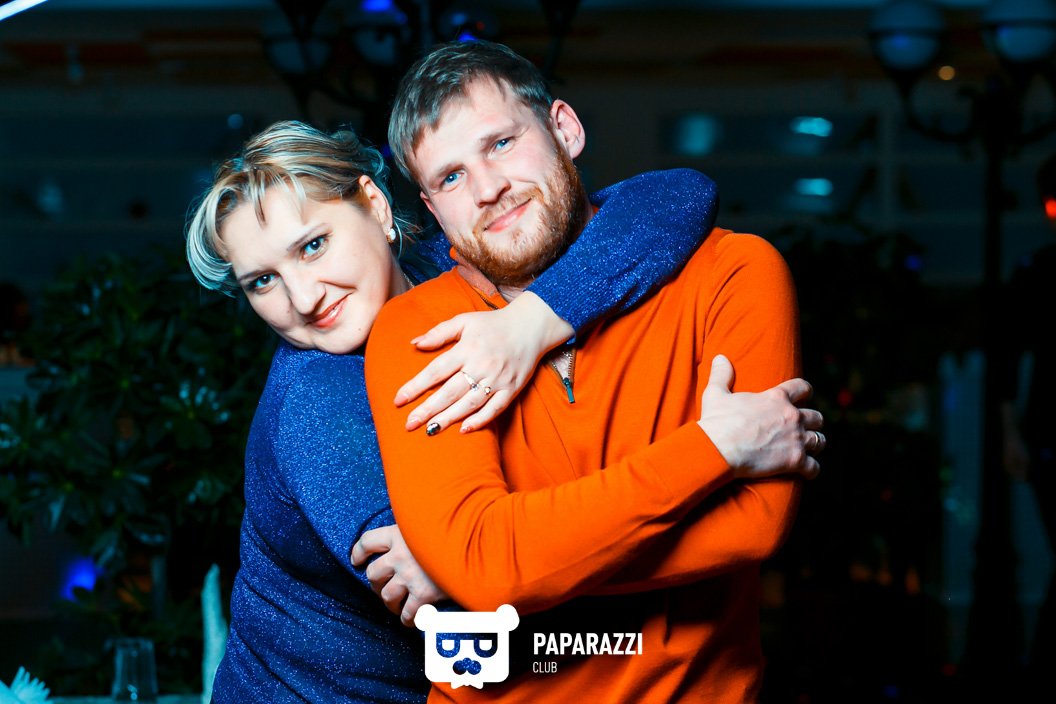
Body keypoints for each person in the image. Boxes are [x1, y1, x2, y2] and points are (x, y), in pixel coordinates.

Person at [184, 118, 726, 702]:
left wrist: (536, 318)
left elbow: (677, 195)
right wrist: (713, 458)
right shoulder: (317, 401)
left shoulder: (448, 277)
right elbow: (483, 611)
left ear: (375, 205)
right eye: (263, 281)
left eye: (313, 245)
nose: (304, 297)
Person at [362, 40, 823, 703]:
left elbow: (756, 523)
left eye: (501, 144)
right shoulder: (416, 330)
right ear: (433, 210)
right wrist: (715, 450)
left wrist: (503, 565)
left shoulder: (734, 274)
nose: (488, 190)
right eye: (451, 178)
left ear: (564, 130)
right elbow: (485, 568)